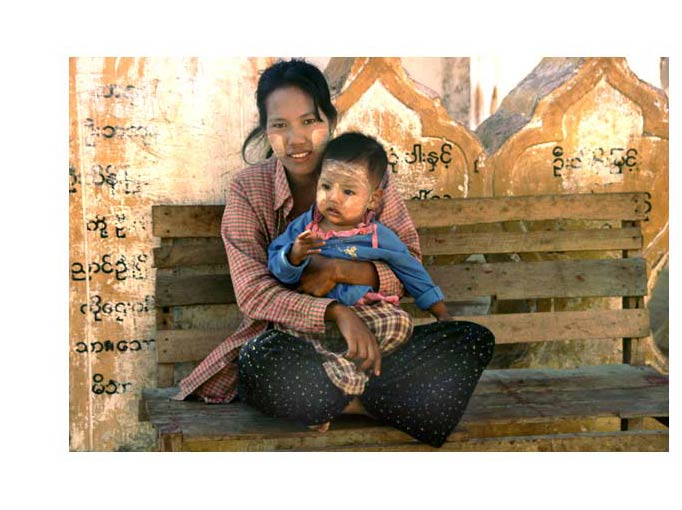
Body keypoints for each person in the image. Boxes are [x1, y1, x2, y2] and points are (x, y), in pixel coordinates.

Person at [172, 58, 495, 448]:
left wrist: (341, 271)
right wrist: (334, 312)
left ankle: (338, 404)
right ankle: (383, 404)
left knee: (471, 339)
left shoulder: (366, 174)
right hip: (296, 348)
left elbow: (407, 258)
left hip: (376, 343)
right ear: (265, 130)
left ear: (330, 118)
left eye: (309, 121)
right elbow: (253, 293)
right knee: (259, 360)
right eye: (280, 125)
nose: (297, 140)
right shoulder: (248, 189)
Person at [267, 132, 452, 428]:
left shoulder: (380, 237)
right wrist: (293, 255)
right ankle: (337, 381)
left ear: (374, 199)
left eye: (348, 192)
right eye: (326, 186)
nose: (333, 198)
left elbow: (411, 271)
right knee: (280, 336)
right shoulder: (305, 227)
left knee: (399, 322)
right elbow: (276, 266)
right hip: (314, 318)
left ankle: (334, 384)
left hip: (365, 319)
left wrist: (439, 310)